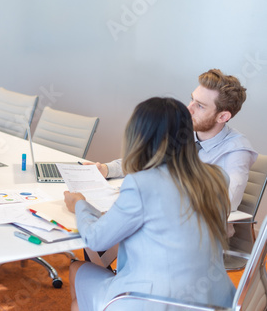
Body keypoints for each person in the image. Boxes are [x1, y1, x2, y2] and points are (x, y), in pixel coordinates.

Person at [65, 97, 235, 311]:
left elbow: (96, 239)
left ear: (138, 136)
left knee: (76, 271)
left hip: (157, 302)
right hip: (215, 301)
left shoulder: (140, 183)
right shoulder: (218, 177)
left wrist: (80, 203)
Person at [96, 69, 257, 212]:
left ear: (223, 116)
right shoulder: (183, 130)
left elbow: (230, 201)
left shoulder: (237, 150)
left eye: (200, 106)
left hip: (203, 235)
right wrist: (106, 169)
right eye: (192, 99)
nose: (188, 109)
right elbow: (145, 160)